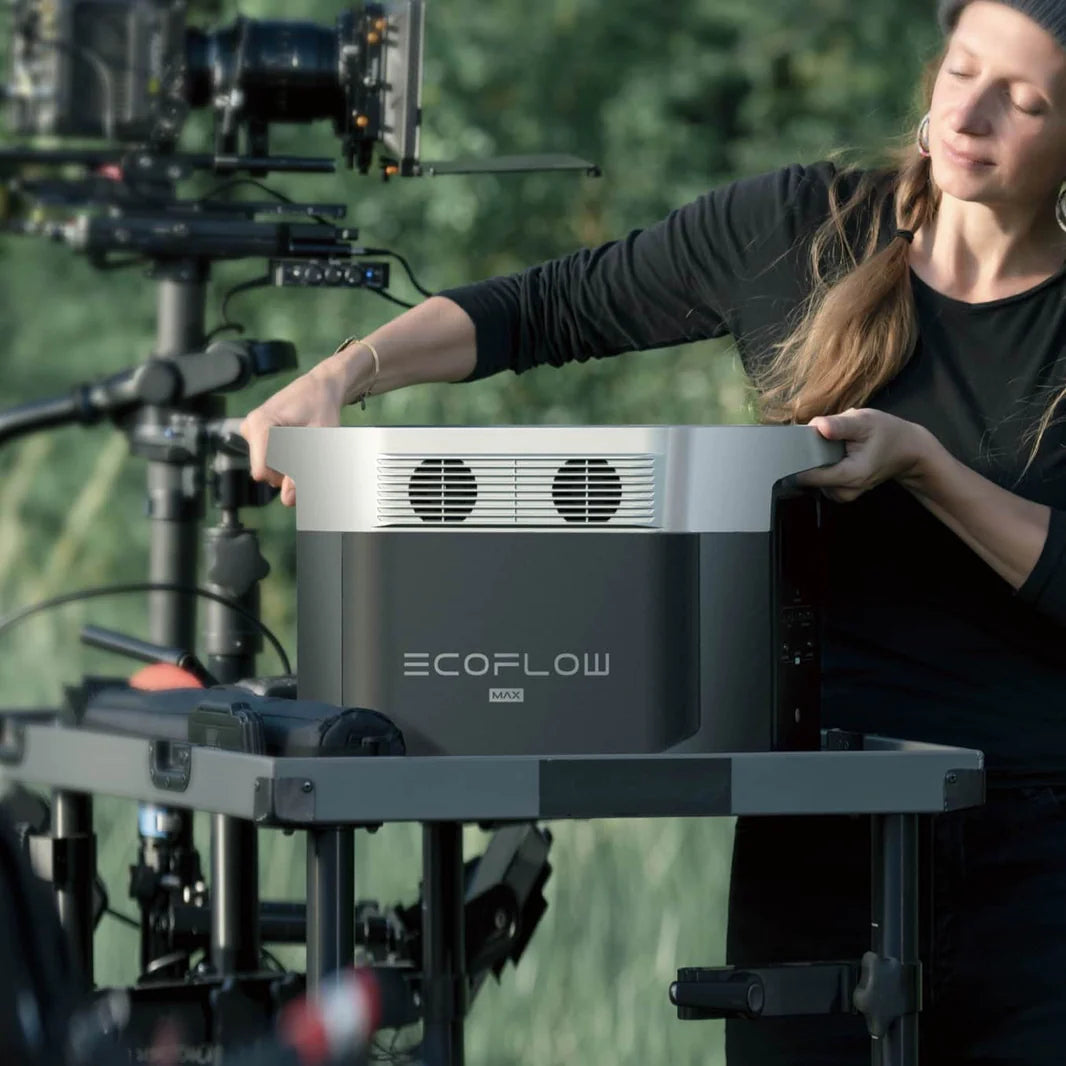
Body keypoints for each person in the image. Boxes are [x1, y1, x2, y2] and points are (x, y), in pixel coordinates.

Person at [242, 0, 1066, 1061]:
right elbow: (549, 307)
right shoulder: (800, 226)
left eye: (1023, 99)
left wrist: (927, 467)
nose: (970, 112)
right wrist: (338, 376)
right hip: (817, 832)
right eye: (960, 70)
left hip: (1038, 857)